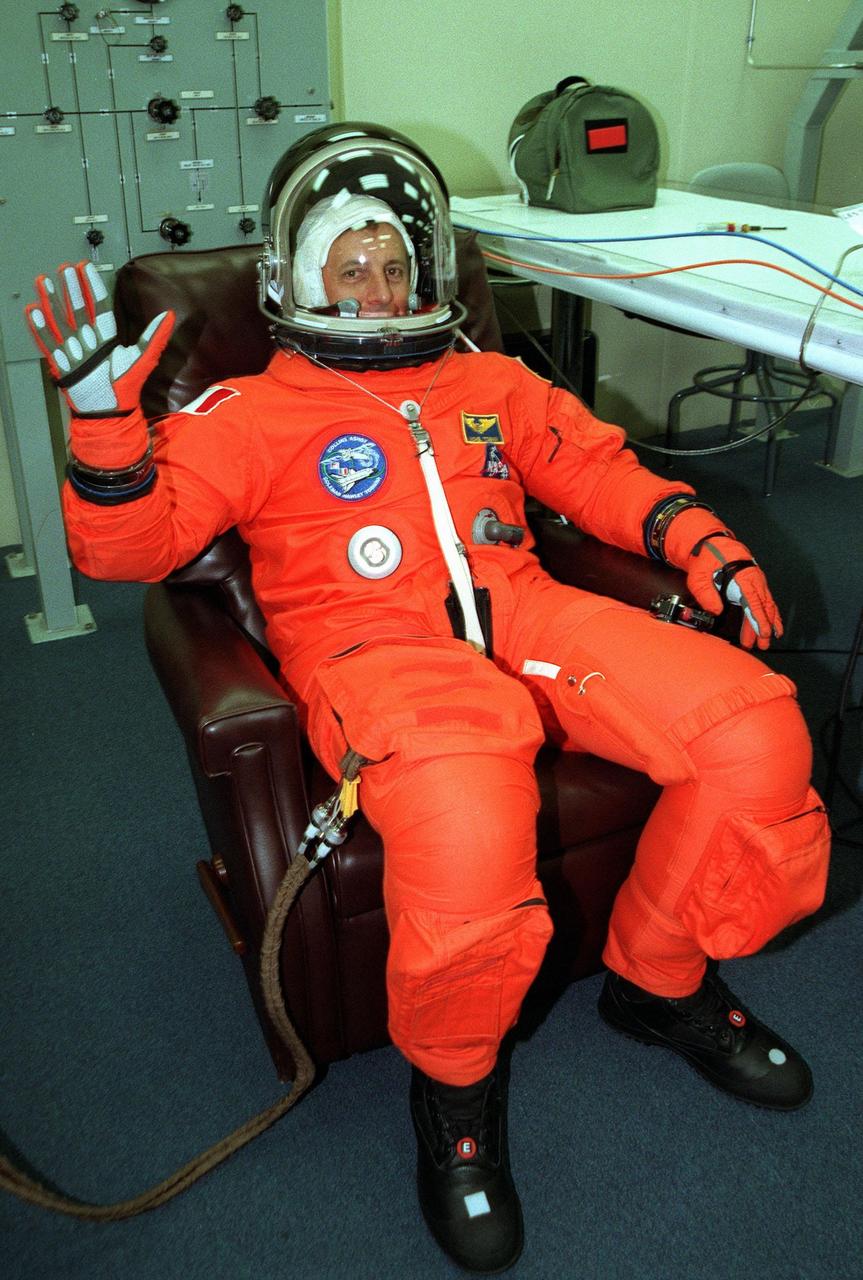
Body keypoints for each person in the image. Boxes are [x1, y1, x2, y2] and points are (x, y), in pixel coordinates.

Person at [26, 123, 830, 1274]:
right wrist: (106, 426)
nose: (378, 288)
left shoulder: (492, 383)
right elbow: (130, 546)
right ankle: (454, 1096)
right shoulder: (249, 412)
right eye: (350, 266)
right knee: (466, 813)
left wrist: (692, 534)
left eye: (397, 264)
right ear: (297, 280)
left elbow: (595, 470)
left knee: (753, 728)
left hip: (523, 607)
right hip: (371, 648)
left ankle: (658, 980)